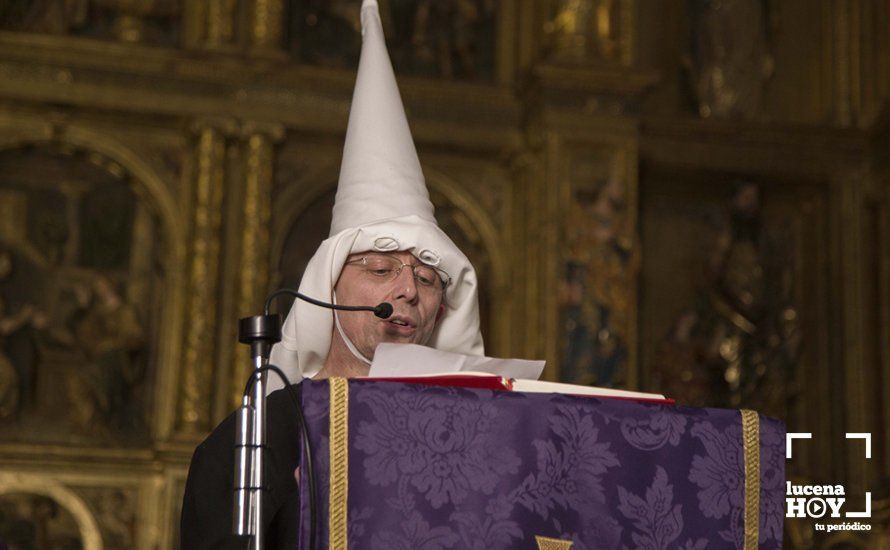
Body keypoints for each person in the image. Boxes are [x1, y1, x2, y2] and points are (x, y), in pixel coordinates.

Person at [180, 1, 484, 547]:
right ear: (329, 287)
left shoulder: (481, 431)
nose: (408, 290)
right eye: (381, 268)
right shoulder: (262, 437)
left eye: (429, 279)